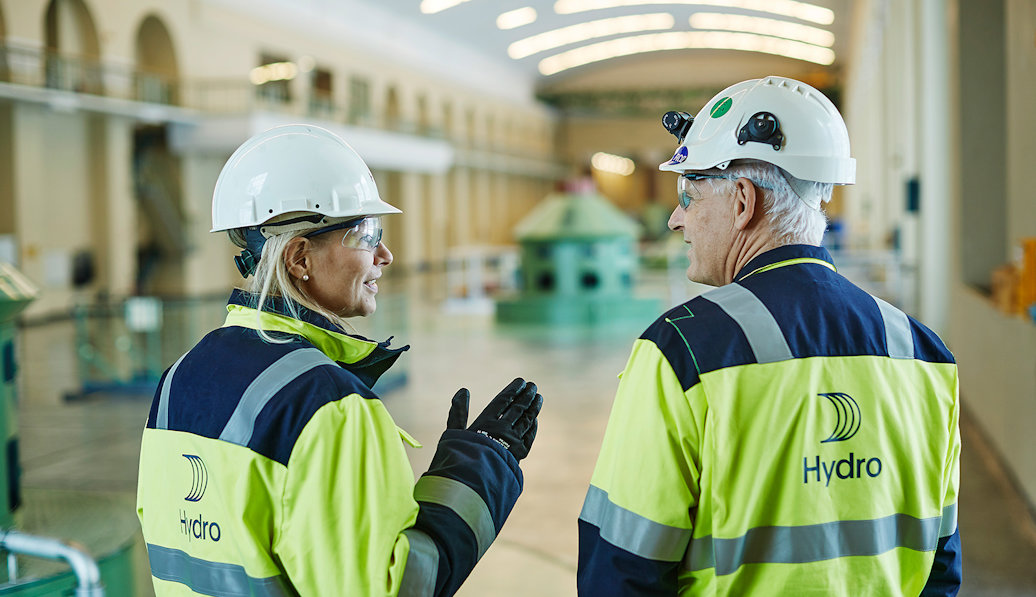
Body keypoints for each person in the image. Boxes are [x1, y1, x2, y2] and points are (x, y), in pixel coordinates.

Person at [577, 76, 961, 595]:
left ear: (741, 201)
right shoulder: (923, 353)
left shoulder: (682, 352)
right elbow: (942, 568)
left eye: (689, 196)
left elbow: (621, 569)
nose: (675, 219)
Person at [136, 124, 544, 596]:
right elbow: (396, 587)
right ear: (299, 257)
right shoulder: (327, 405)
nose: (385, 255)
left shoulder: (178, 378)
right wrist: (476, 471)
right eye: (366, 233)